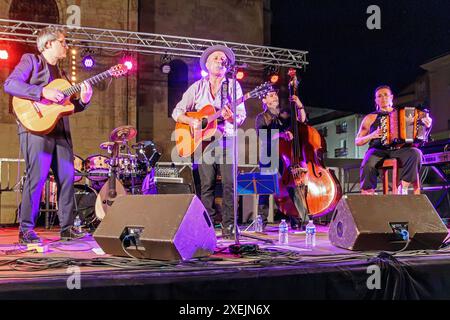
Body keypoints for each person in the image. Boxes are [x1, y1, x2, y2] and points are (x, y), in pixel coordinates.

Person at [4, 26, 93, 243]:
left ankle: (67, 228)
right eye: (62, 42)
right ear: (48, 44)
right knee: (37, 178)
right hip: (35, 128)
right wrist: (42, 91)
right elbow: (10, 84)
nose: (66, 45)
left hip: (60, 131)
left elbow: (67, 107)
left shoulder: (62, 75)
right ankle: (26, 230)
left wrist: (83, 100)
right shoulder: (31, 61)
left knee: (67, 177)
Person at [171, 45, 246, 238]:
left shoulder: (233, 86)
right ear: (207, 63)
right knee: (207, 186)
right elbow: (177, 112)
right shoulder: (196, 87)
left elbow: (240, 115)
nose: (221, 60)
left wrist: (230, 118)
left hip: (226, 140)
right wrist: (192, 121)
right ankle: (209, 226)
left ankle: (229, 227)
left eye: (224, 59)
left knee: (230, 184)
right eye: (216, 58)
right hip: (203, 142)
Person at [356, 85, 432, 195]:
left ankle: (403, 187)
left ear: (391, 97)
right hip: (378, 150)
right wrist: (371, 135)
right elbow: (358, 141)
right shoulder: (370, 117)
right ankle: (368, 192)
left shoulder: (404, 114)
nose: (383, 98)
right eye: (379, 96)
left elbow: (420, 130)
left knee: (416, 153)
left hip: (399, 149)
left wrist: (428, 123)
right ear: (376, 100)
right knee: (368, 164)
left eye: (386, 95)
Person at [255, 88, 306, 229]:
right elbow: (264, 136)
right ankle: (261, 223)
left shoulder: (284, 114)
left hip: (285, 155)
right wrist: (282, 135)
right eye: (270, 95)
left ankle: (297, 219)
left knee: (291, 186)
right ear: (264, 101)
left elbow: (301, 121)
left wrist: (299, 105)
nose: (275, 96)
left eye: (275, 94)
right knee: (265, 189)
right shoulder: (261, 117)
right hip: (269, 155)